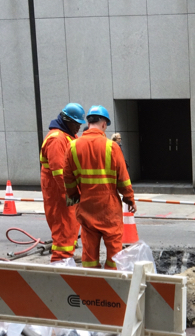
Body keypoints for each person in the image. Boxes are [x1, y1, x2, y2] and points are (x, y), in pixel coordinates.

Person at [63, 105, 136, 269]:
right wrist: (129, 199)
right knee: (114, 253)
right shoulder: (112, 147)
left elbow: (67, 178)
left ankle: (91, 281)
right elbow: (123, 179)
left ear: (88, 123)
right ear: (103, 124)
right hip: (109, 208)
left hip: (86, 206)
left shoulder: (72, 146)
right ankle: (112, 279)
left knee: (89, 253)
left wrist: (74, 195)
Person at [40, 102, 85, 263]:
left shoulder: (68, 136)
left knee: (71, 223)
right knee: (62, 224)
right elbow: (59, 172)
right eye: (76, 123)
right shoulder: (57, 139)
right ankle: (60, 260)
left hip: (66, 190)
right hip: (58, 192)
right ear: (67, 121)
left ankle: (68, 255)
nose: (79, 127)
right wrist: (71, 193)